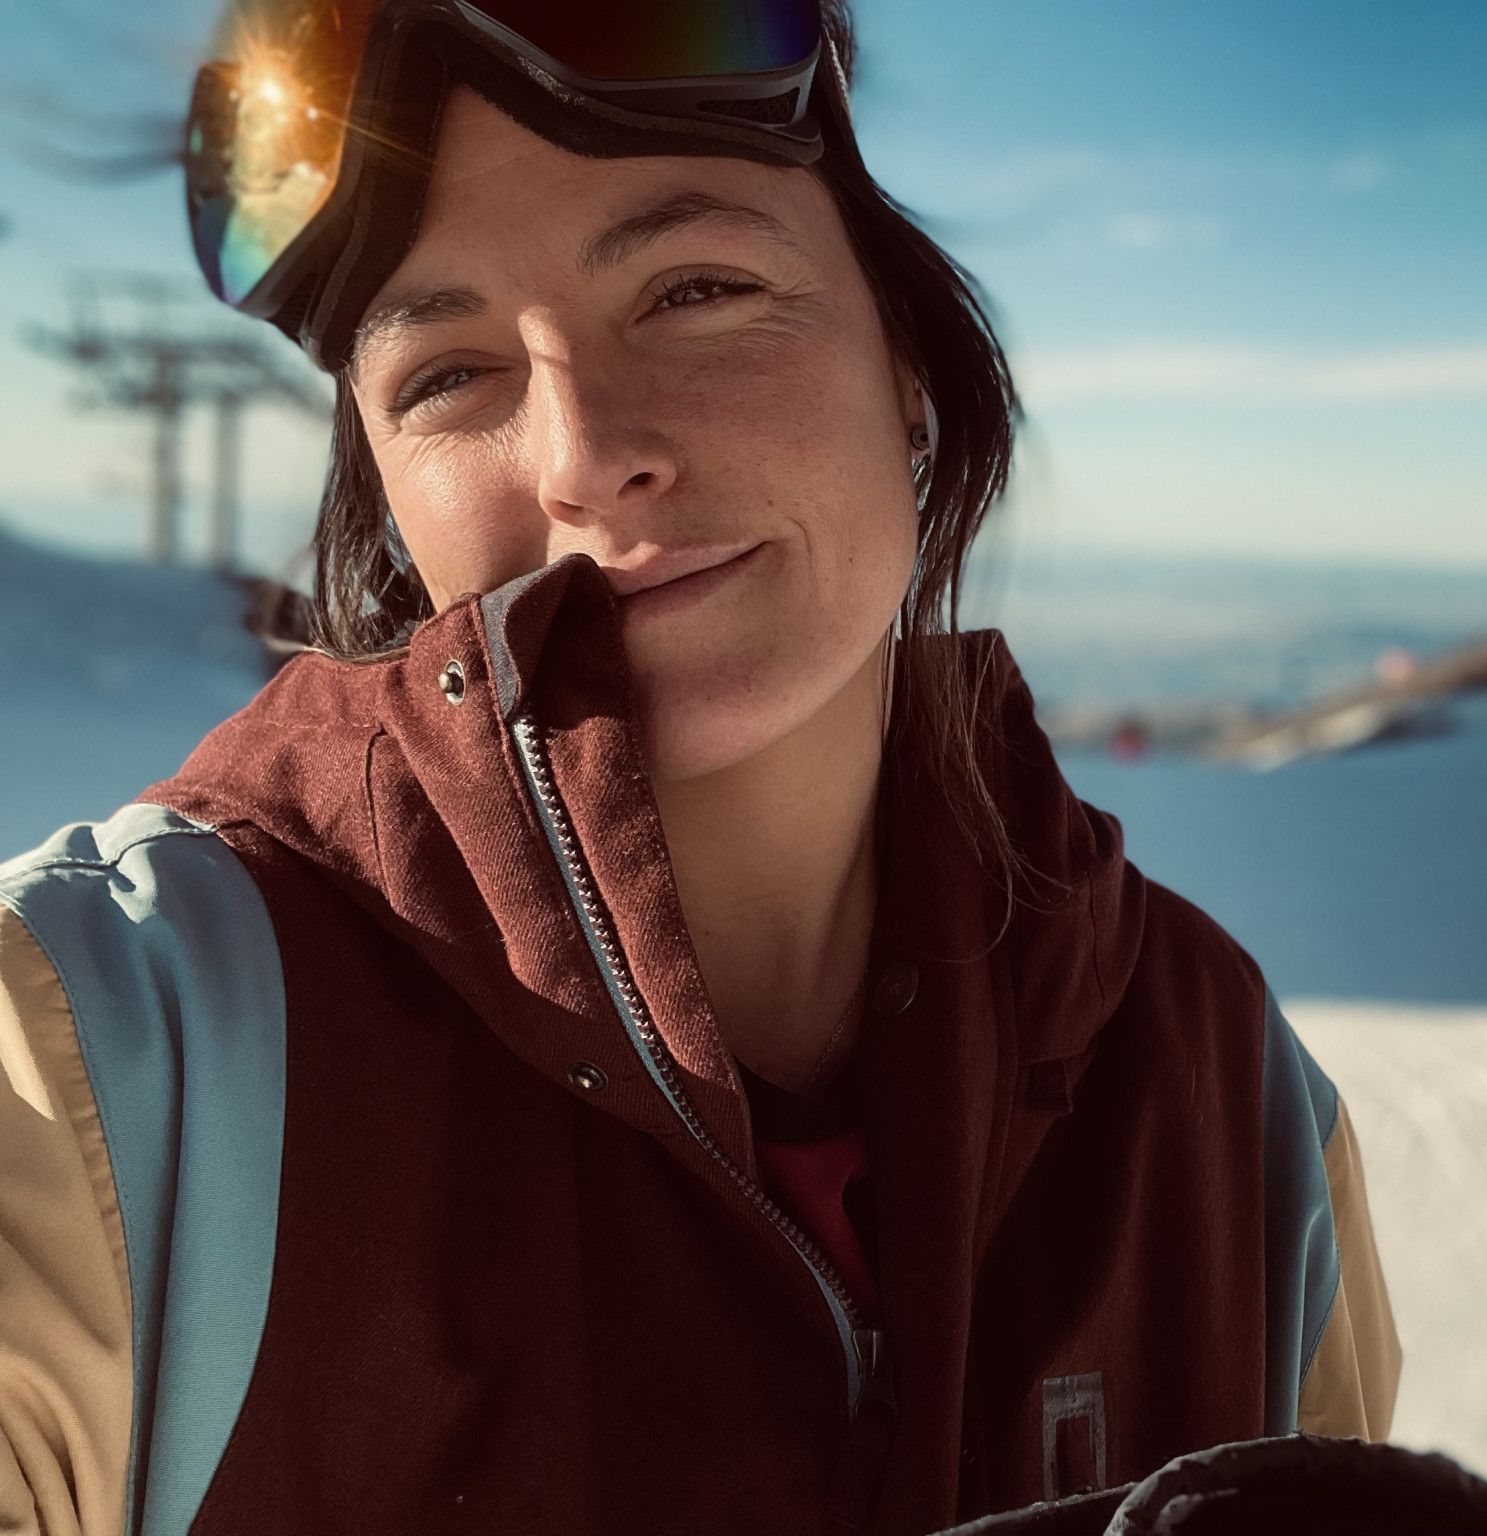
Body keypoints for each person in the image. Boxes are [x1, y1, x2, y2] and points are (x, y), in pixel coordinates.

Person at [0, 2, 1399, 1531]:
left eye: (697, 288)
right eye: (448, 375)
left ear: (908, 366)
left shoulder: (1225, 1098)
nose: (584, 456)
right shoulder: (102, 1051)